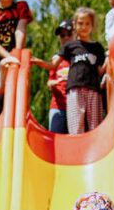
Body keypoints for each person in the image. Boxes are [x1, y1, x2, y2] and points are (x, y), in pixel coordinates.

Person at [55, 7, 107, 135]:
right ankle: (76, 150)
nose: (84, 26)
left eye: (87, 23)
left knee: (95, 125)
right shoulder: (70, 46)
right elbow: (53, 65)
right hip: (75, 88)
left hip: (93, 89)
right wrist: (38, 62)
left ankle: (95, 151)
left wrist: (109, 59)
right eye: (80, 23)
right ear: (74, 24)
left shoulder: (97, 47)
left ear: (92, 26)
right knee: (76, 125)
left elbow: (100, 71)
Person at [44, 21, 73, 134]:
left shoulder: (80, 57)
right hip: (58, 106)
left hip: (75, 106)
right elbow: (50, 81)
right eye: (62, 35)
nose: (65, 38)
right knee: (55, 140)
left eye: (69, 34)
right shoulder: (56, 59)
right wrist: (52, 84)